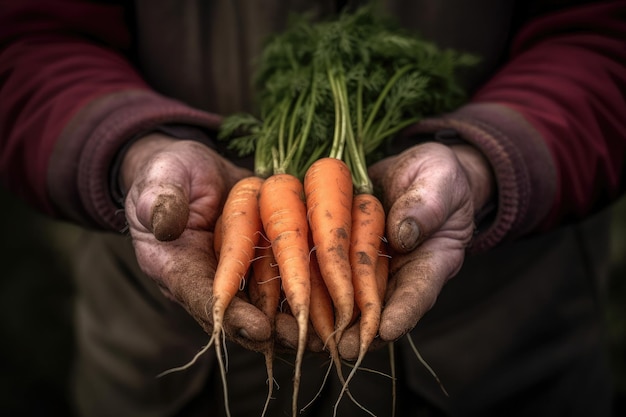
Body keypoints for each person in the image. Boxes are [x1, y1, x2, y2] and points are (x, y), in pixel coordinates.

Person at [1, 0, 624, 416]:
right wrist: (134, 150)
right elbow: (27, 40)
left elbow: (604, 40)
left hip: (507, 356)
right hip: (161, 368)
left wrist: (485, 163)